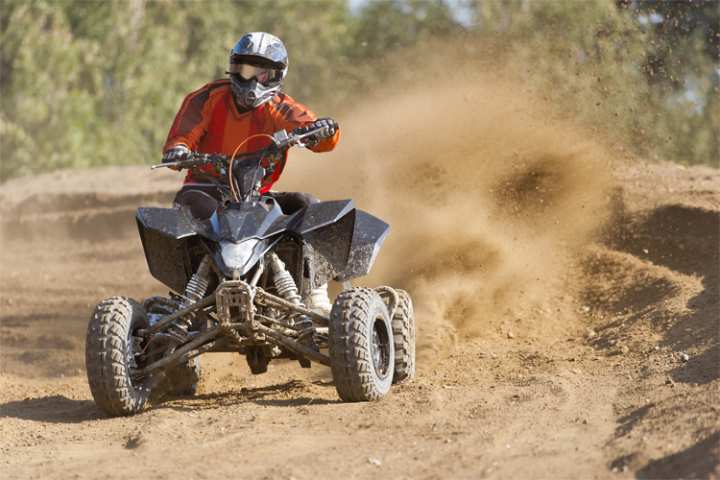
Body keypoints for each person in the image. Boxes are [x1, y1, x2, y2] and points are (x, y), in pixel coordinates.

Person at [162, 32, 339, 313]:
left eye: (261, 73)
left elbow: (314, 131)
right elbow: (183, 135)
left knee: (307, 203)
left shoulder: (280, 106)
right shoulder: (208, 97)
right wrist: (179, 150)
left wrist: (323, 131)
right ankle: (190, 299)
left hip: (257, 197)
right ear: (232, 68)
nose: (251, 81)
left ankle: (315, 295)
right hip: (205, 188)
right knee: (189, 207)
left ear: (277, 75)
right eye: (244, 70)